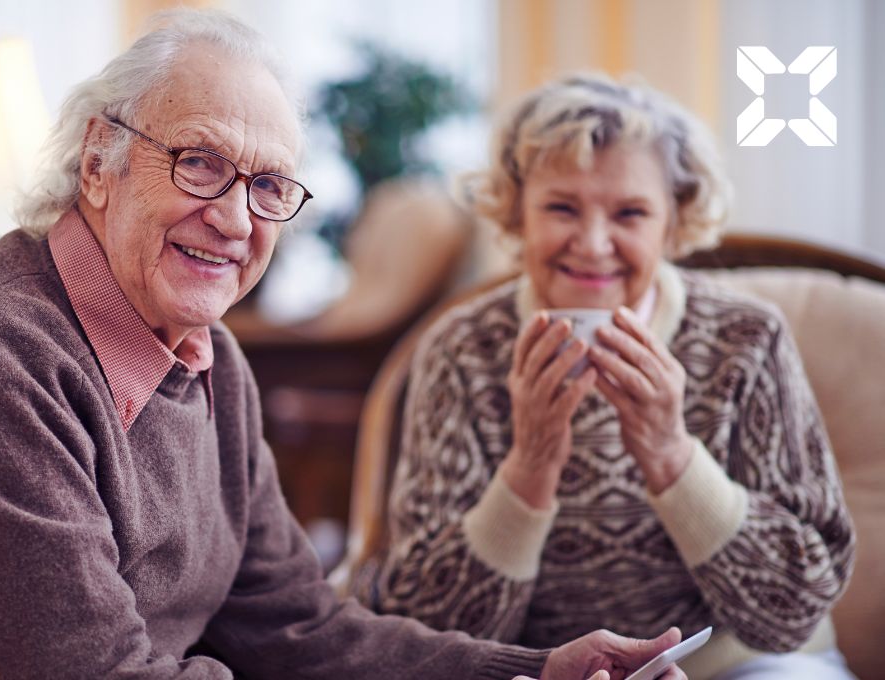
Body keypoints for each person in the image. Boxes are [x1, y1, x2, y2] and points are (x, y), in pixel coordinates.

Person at [0, 13, 685, 680]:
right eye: (199, 162)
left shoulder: (211, 360)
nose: (235, 218)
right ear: (97, 164)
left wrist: (531, 672)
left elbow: (297, 628)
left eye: (271, 185)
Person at [365, 73, 857, 680]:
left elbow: (794, 612)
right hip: (533, 670)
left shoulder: (747, 339)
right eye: (562, 207)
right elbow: (429, 626)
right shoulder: (461, 349)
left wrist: (672, 454)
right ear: (518, 215)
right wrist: (530, 467)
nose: (594, 245)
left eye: (630, 213)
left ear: (674, 224)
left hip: (738, 666)